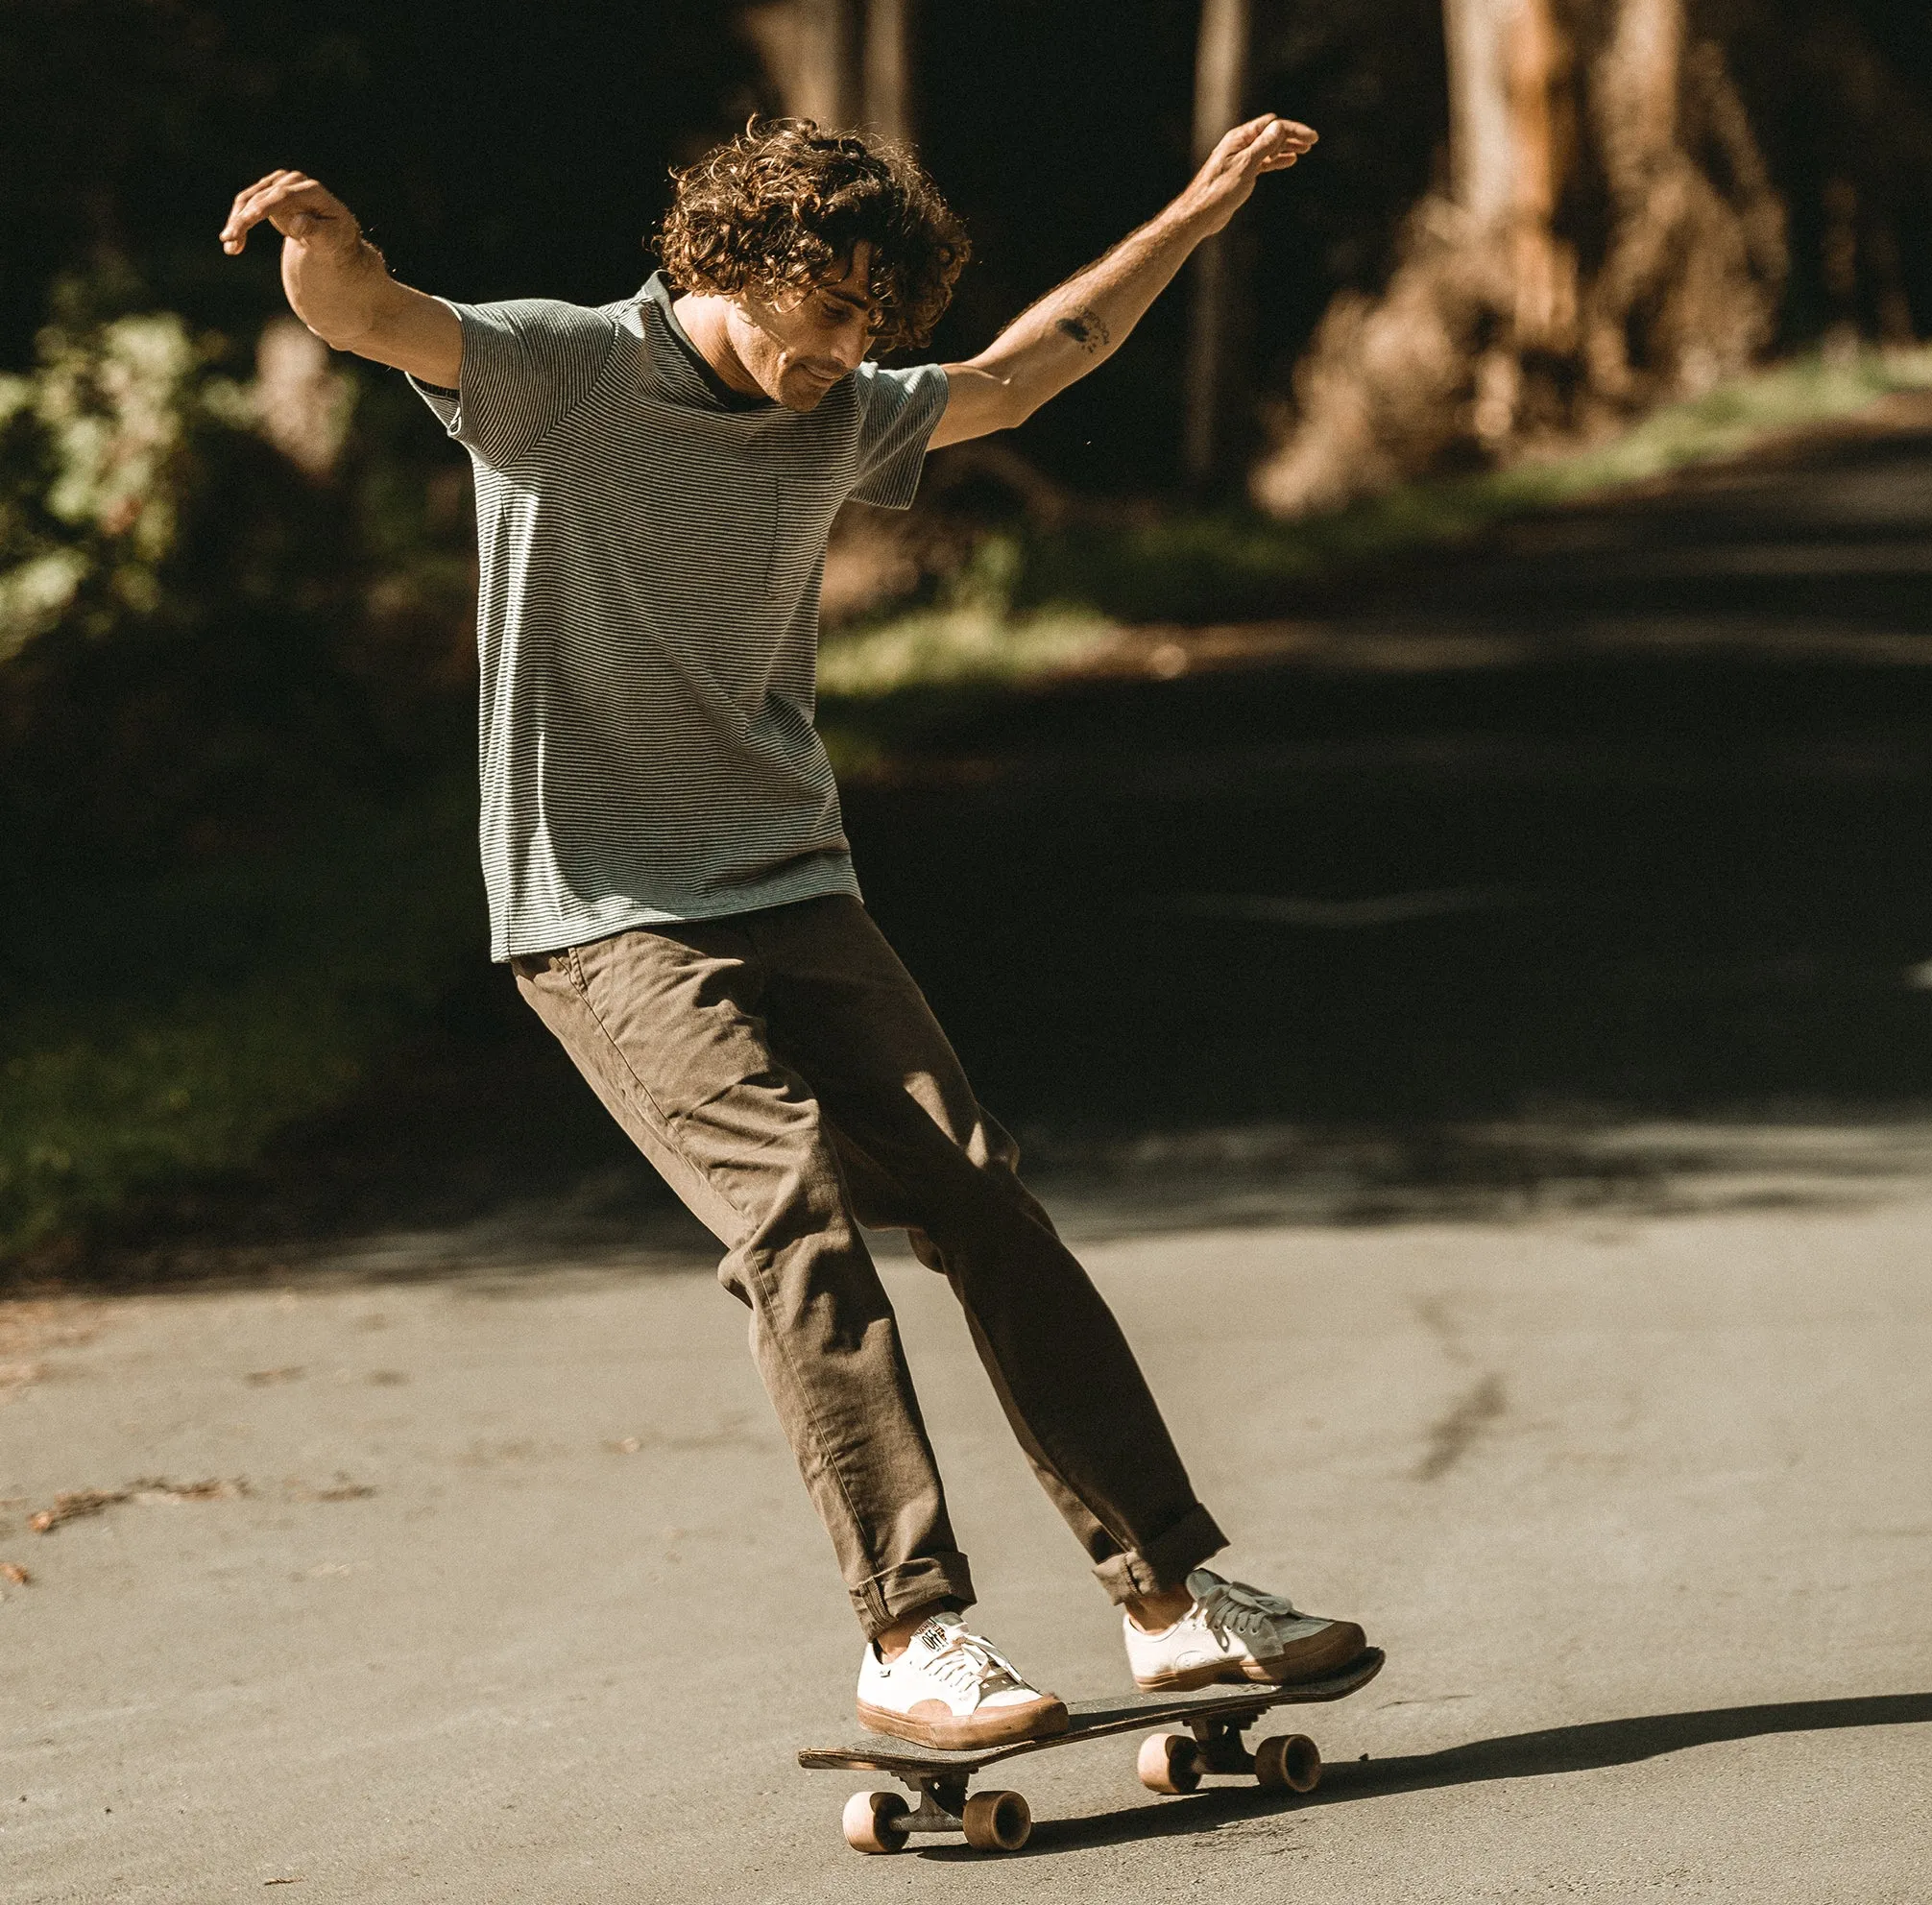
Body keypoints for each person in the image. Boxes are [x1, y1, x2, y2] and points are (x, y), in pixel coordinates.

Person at [220, 109, 1366, 1749]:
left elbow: (1031, 367)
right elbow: (375, 318)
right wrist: (322, 246)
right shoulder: (559, 376)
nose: (841, 356)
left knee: (985, 1201)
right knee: (794, 1217)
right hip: (606, 915)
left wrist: (1190, 211)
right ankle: (913, 1634)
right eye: (818, 312)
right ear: (730, 258)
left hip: (793, 882)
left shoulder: (832, 418)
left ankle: (1175, 1605)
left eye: (868, 330)